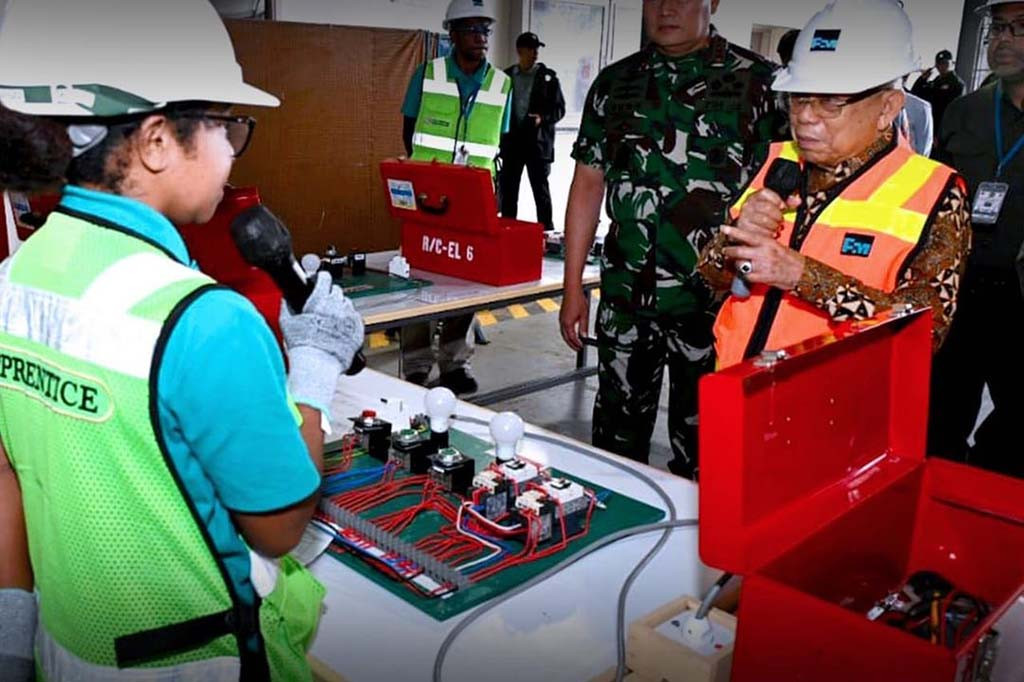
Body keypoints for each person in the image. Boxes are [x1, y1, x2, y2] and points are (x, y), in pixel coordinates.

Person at [0, 1, 365, 679]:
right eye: (227, 126)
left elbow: (6, 477)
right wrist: (314, 363)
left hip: (67, 652)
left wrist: (10, 642)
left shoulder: (11, 279)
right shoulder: (203, 318)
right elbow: (280, 525)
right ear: (158, 141)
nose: (232, 150)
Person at [559, 0, 785, 479]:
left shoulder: (759, 82)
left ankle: (696, 553)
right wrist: (572, 285)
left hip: (718, 306)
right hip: (627, 297)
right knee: (614, 448)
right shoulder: (616, 82)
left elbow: (788, 190)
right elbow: (587, 184)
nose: (665, 8)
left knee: (708, 452)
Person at [699, 0, 969, 372]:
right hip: (738, 392)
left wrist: (803, 276)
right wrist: (736, 240)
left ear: (888, 107)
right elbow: (709, 277)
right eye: (798, 98)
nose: (806, 117)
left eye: (830, 101)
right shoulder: (775, 162)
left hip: (837, 411)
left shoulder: (935, 193)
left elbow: (922, 334)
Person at [929, 0, 1024, 478]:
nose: (1002, 39)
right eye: (998, 27)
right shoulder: (965, 112)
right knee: (937, 422)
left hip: (1020, 297)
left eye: (1020, 28)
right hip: (959, 291)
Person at [399, 0, 512, 394]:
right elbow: (409, 131)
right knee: (417, 276)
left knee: (466, 280)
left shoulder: (502, 84)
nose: (480, 38)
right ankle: (415, 365)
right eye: (472, 29)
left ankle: (453, 364)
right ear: (453, 34)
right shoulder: (426, 75)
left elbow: (503, 141)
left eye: (485, 30)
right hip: (427, 194)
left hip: (475, 198)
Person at [499, 31, 566, 232]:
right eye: (530, 49)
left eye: (537, 49)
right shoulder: (506, 76)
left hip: (537, 144)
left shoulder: (548, 78)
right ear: (520, 50)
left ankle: (546, 233)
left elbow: (559, 109)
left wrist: (542, 118)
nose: (535, 53)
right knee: (509, 191)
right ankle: (507, 229)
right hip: (512, 143)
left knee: (541, 192)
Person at [911, 49, 965, 149]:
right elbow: (915, 94)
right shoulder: (935, 83)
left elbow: (951, 113)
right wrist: (923, 79)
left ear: (951, 63)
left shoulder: (957, 85)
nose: (942, 66)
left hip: (944, 135)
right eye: (939, 64)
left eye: (945, 63)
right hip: (929, 130)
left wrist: (938, 134)